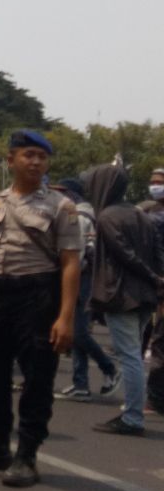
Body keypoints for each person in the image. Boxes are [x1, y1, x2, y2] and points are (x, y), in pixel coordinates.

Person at [0, 130, 81, 488]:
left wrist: (65, 317)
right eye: (28, 155)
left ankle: (27, 455)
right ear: (10, 161)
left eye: (42, 157)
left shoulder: (61, 207)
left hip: (39, 296)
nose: (36, 162)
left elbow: (71, 263)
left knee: (37, 378)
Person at [83, 163, 164, 436]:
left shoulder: (106, 216)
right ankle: (132, 414)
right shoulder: (141, 214)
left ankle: (132, 417)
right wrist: (155, 281)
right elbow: (155, 254)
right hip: (144, 296)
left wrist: (153, 277)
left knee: (129, 356)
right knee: (134, 355)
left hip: (121, 294)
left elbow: (124, 254)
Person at [51, 177, 120, 401]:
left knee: (79, 333)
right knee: (77, 331)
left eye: (62, 191)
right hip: (84, 278)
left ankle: (108, 367)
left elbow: (75, 256)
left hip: (81, 280)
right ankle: (80, 383)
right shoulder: (85, 213)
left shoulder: (78, 217)